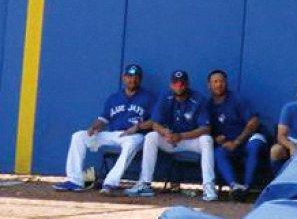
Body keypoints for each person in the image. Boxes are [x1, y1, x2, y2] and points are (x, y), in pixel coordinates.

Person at [53, 64, 154, 193]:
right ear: (124, 78)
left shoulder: (149, 98)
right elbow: (103, 119)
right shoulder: (114, 98)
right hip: (113, 135)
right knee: (79, 136)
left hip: (135, 136)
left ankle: (110, 183)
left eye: (135, 77)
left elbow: (154, 121)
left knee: (130, 143)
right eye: (129, 76)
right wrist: (94, 126)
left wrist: (138, 127)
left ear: (140, 79)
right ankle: (75, 181)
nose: (132, 80)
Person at [127, 70, 216, 201]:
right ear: (171, 85)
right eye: (176, 84)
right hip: (170, 139)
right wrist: (165, 133)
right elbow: (155, 123)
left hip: (189, 140)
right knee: (151, 137)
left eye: (182, 84)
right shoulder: (165, 96)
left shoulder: (198, 99)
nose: (179, 86)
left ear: (187, 84)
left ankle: (209, 186)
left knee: (207, 140)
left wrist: (181, 136)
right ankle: (145, 183)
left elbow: (206, 128)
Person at [206, 69, 265, 197]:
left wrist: (237, 141)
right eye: (215, 82)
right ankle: (235, 187)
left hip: (249, 138)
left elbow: (254, 121)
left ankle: (247, 187)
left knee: (254, 146)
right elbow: (206, 128)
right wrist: (216, 138)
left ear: (226, 83)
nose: (218, 84)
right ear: (209, 85)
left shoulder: (237, 99)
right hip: (231, 143)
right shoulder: (208, 105)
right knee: (218, 153)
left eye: (221, 81)